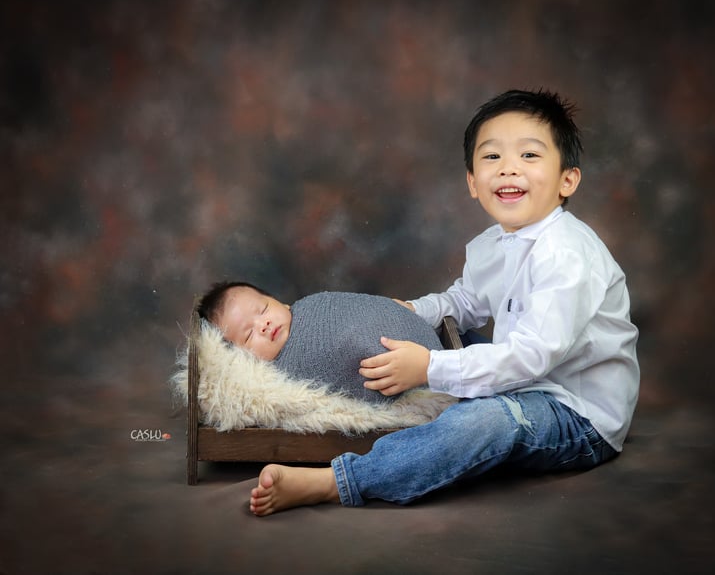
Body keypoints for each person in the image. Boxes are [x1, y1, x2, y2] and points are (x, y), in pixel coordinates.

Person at [249, 89, 640, 516]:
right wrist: (414, 312)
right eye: (492, 156)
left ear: (567, 180)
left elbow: (532, 357)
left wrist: (430, 368)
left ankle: (341, 480)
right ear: (472, 182)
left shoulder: (566, 253)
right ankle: (361, 402)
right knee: (427, 337)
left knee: (485, 422)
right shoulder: (494, 243)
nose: (508, 168)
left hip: (576, 414)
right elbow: (464, 302)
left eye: (529, 155)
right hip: (525, 379)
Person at [196, 282, 444, 404]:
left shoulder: (315, 305)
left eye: (263, 309)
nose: (264, 325)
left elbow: (357, 311)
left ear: (282, 303)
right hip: (417, 371)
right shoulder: (277, 378)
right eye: (249, 335)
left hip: (423, 353)